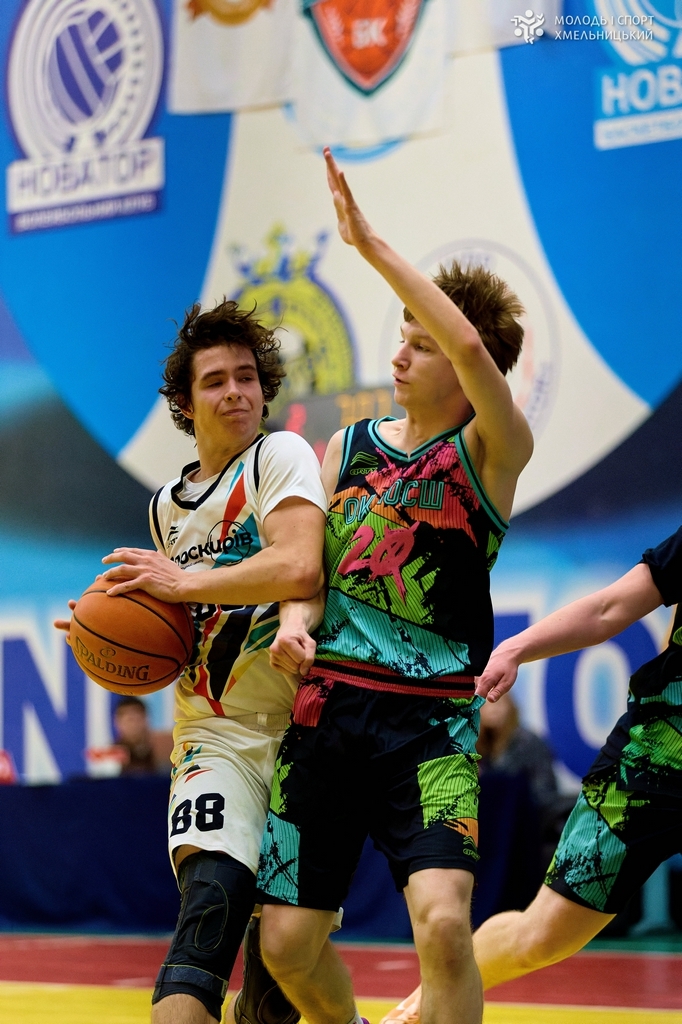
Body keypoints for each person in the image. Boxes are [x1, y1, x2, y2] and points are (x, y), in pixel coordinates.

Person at [250, 147, 533, 1024]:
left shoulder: (492, 452)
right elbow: (308, 572)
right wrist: (295, 619)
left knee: (444, 928)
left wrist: (369, 244)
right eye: (401, 340)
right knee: (285, 946)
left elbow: (472, 341)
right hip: (328, 715)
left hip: (431, 725)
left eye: (422, 344)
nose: (402, 356)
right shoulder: (348, 448)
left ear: (467, 370)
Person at [57, 299, 328, 1024]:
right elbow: (173, 626)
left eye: (247, 377)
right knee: (208, 913)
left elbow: (300, 565)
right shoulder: (164, 509)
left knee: (276, 989)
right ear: (184, 401)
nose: (235, 391)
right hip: (214, 736)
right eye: (215, 380)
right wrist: (102, 629)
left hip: (305, 736)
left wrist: (183, 582)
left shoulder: (280, 456)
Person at [380, 526, 682, 1024]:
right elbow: (610, 609)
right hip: (652, 763)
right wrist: (515, 648)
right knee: (544, 933)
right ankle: (420, 1007)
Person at [113, 696, 173, 775]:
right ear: (118, 722)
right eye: (130, 720)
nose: (134, 725)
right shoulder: (111, 755)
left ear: (146, 719)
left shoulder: (165, 748)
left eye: (138, 719)